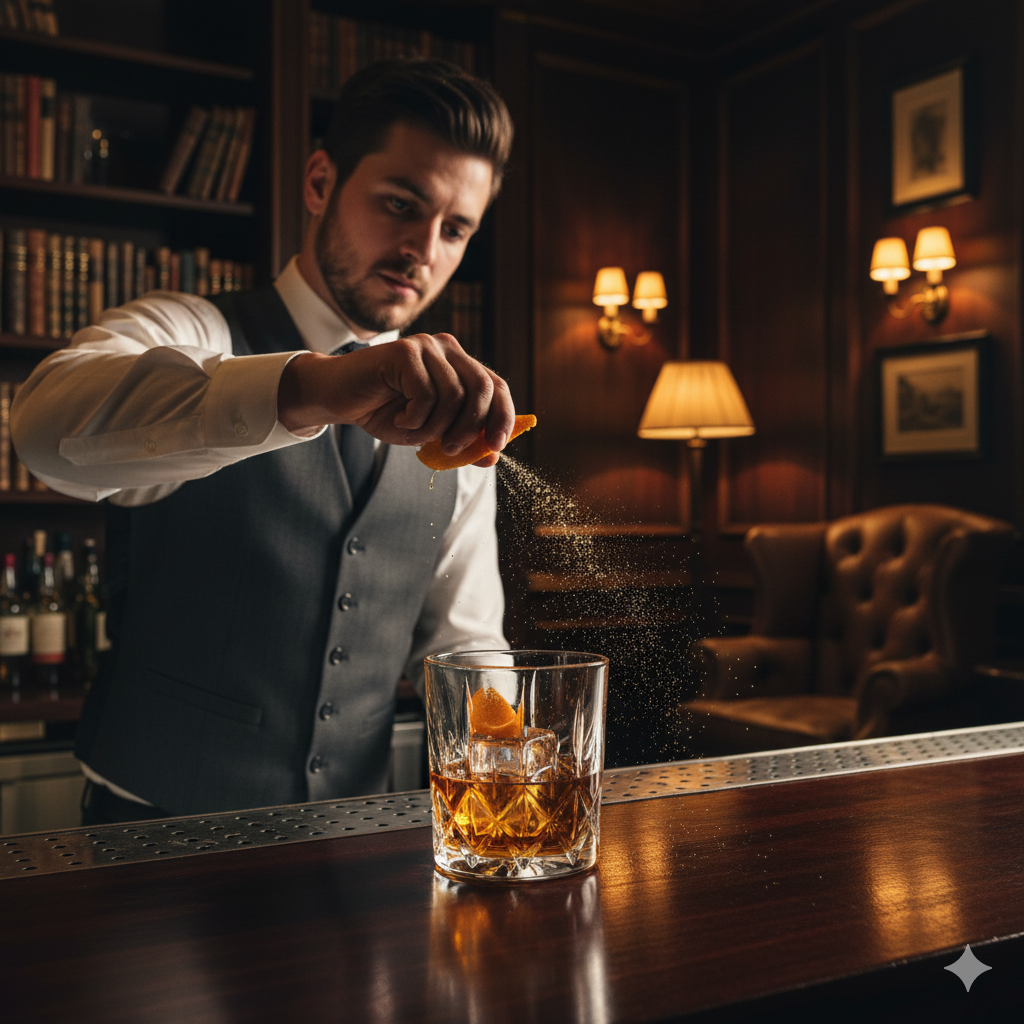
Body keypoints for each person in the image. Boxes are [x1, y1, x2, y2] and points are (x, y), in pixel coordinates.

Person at [11, 59, 516, 823]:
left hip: (350, 838)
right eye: (399, 205)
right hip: (154, 834)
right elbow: (44, 434)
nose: (424, 250)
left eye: (455, 229)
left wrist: (506, 756)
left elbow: (466, 636)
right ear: (320, 183)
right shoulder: (192, 328)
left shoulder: (452, 415)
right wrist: (308, 388)